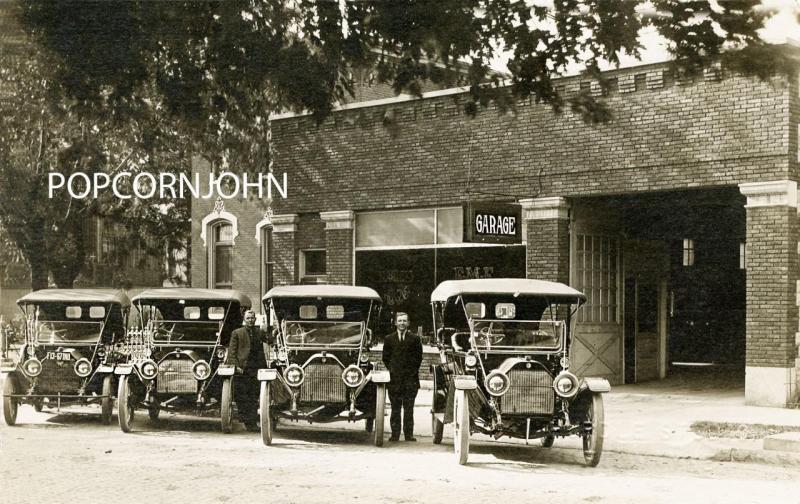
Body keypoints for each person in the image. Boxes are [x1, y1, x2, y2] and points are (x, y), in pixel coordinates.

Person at [225, 309, 269, 432]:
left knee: (254, 395)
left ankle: (252, 422)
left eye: (252, 318)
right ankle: (247, 422)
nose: (250, 320)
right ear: (244, 319)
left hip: (257, 368)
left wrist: (268, 330)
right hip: (242, 369)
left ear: (255, 319)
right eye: (248, 318)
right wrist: (235, 366)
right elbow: (232, 353)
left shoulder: (259, 332)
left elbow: (269, 340)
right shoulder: (237, 333)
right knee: (243, 397)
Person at [382, 312, 423, 442]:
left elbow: (418, 359)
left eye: (404, 321)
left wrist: (409, 373)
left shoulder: (415, 339)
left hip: (410, 380)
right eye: (399, 321)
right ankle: (395, 435)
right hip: (394, 380)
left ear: (408, 323)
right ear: (395, 323)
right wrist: (393, 371)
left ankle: (408, 435)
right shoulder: (389, 339)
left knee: (409, 409)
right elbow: (385, 358)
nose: (402, 323)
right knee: (395, 408)